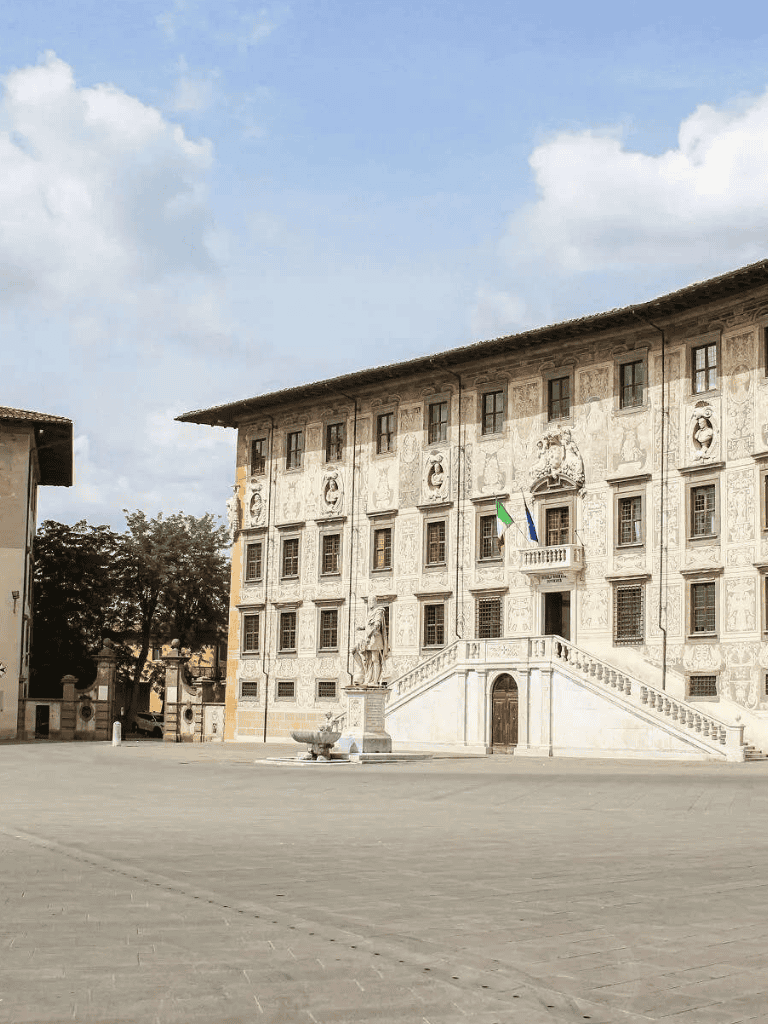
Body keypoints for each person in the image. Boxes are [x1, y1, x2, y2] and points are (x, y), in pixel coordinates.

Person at [352, 606, 390, 686]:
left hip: (376, 639)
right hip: (370, 640)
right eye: (369, 601)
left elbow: (376, 626)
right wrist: (362, 628)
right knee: (369, 660)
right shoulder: (370, 613)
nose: (370, 603)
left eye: (372, 601)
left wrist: (369, 635)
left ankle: (375, 680)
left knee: (375, 659)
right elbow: (369, 626)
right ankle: (370, 678)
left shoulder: (379, 612)